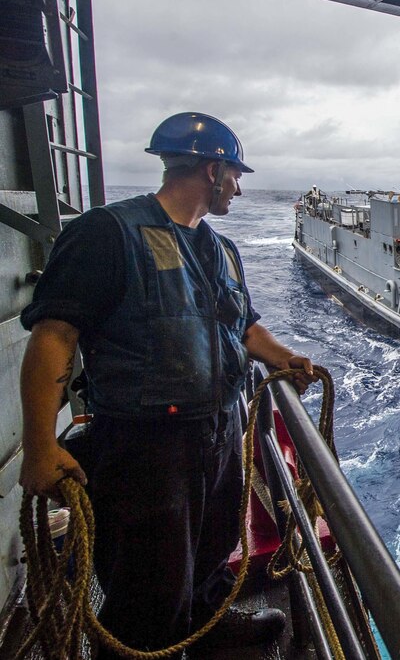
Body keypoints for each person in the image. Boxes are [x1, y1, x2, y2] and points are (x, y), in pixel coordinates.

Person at [18, 112, 319, 658]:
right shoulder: (107, 234)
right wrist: (40, 445)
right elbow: (54, 337)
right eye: (234, 174)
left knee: (211, 547)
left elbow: (243, 324)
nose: (238, 186)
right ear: (211, 170)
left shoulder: (220, 250)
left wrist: (288, 358)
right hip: (145, 446)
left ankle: (203, 622)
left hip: (218, 430)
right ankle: (148, 646)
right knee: (147, 580)